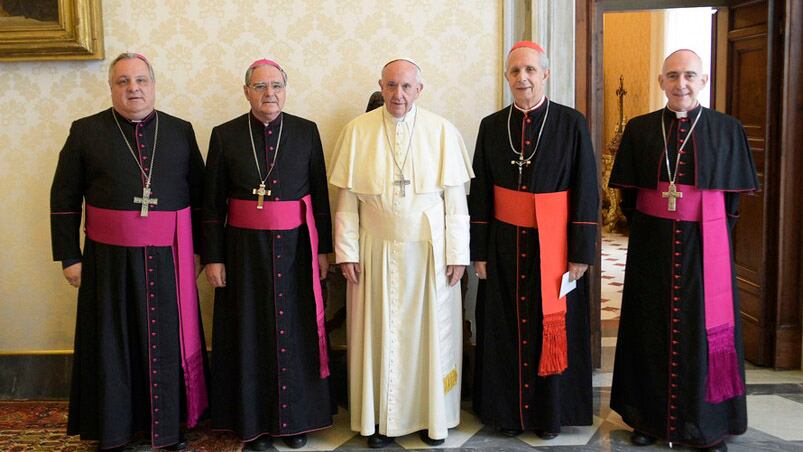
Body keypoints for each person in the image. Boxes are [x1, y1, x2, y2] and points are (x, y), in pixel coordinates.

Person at [50, 52, 207, 451]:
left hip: (168, 256)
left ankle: (169, 429)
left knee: (166, 340)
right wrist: (70, 255)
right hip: (106, 259)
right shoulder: (86, 131)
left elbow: (202, 197)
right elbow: (64, 197)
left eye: (140, 80)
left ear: (153, 85)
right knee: (111, 342)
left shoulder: (179, 131)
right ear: (111, 87)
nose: (132, 88)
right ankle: (113, 430)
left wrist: (200, 253)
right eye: (122, 81)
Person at [609, 49, 758, 452]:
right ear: (661, 82)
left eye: (690, 75)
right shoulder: (640, 130)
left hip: (703, 247)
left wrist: (704, 231)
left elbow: (732, 206)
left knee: (703, 332)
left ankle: (706, 425)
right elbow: (627, 199)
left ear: (703, 81)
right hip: (652, 247)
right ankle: (645, 418)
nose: (681, 83)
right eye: (672, 76)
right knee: (648, 328)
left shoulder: (727, 129)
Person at [329, 58, 473, 448]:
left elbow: (456, 203)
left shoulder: (442, 131)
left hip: (429, 256)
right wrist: (346, 251)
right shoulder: (357, 132)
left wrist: (458, 253)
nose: (398, 95)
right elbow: (346, 201)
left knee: (430, 338)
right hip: (373, 252)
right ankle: (376, 421)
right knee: (377, 335)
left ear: (419, 90)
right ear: (380, 85)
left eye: (407, 87)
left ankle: (432, 419)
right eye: (391, 86)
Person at [468, 41, 599, 439]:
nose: (521, 78)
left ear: (545, 74)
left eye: (529, 70)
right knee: (504, 325)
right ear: (506, 78)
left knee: (549, 324)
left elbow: (586, 188)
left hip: (556, 246)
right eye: (514, 72)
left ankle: (549, 414)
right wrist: (479, 250)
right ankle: (505, 413)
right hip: (504, 245)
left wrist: (580, 252)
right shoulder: (491, 125)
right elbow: (481, 191)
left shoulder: (571, 122)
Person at [202, 58, 333, 451]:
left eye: (276, 86)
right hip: (243, 253)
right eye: (260, 87)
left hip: (296, 251)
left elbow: (321, 198)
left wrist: (324, 249)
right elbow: (210, 204)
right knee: (248, 333)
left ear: (285, 90)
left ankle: (295, 421)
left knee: (295, 331)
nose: (269, 94)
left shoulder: (306, 131)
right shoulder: (224, 135)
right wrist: (214, 257)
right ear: (246, 92)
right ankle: (253, 423)